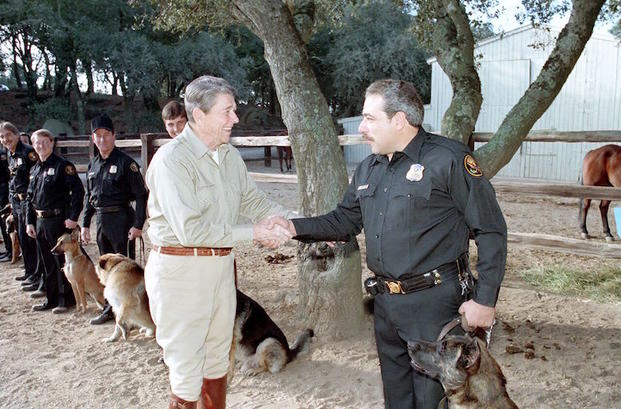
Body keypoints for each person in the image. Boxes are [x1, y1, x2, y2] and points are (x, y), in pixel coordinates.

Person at [273, 79, 507, 409]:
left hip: (435, 307)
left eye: (370, 118)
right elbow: (343, 221)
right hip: (385, 306)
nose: (363, 127)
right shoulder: (370, 167)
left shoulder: (449, 160)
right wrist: (292, 226)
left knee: (431, 402)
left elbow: (492, 230)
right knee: (396, 399)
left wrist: (485, 301)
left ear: (398, 120)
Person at [144, 75, 292, 409]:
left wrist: (292, 223)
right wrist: (254, 233)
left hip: (221, 270)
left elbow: (254, 202)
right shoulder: (171, 161)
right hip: (180, 274)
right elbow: (192, 231)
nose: (235, 119)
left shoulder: (227, 156)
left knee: (216, 364)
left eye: (234, 110)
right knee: (186, 372)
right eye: (227, 111)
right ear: (198, 115)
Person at [81, 113, 147, 324]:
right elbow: (90, 197)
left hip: (121, 219)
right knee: (106, 268)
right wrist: (85, 224)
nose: (102, 140)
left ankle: (131, 312)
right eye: (97, 136)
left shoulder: (126, 163)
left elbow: (141, 194)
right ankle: (112, 308)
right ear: (93, 139)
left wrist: (137, 225)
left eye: (106, 135)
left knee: (125, 270)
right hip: (101, 220)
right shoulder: (93, 165)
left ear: (114, 136)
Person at [25, 129, 84, 313]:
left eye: (44, 142)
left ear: (52, 143)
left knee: (60, 262)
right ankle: (50, 299)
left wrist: (73, 217)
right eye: (36, 143)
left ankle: (65, 300)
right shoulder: (34, 169)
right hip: (40, 221)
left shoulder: (63, 166)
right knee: (46, 262)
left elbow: (78, 192)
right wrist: (29, 222)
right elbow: (29, 197)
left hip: (59, 220)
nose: (40, 146)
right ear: (33, 146)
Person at [0, 121, 42, 288]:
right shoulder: (9, 154)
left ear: (17, 135)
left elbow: (37, 177)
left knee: (31, 239)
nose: (5, 139)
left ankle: (38, 275)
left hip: (28, 201)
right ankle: (30, 272)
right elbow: (12, 178)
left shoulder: (28, 153)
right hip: (16, 202)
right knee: (23, 240)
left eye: (8, 135)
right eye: (2, 137)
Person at [0, 143, 13, 262]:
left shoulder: (2, 154)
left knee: (5, 222)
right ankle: (8, 250)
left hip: (3, 191)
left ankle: (10, 251)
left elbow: (8, 174)